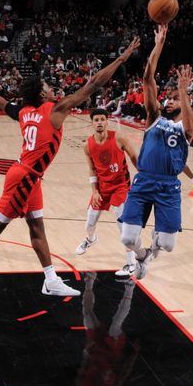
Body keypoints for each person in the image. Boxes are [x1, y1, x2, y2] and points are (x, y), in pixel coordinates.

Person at [0, 37, 140, 297]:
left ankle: (50, 278)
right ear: (42, 93)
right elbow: (93, 83)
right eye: (47, 85)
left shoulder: (23, 111)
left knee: (37, 227)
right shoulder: (55, 110)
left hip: (31, 178)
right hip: (23, 178)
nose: (51, 87)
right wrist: (122, 59)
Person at [119, 24, 193, 279]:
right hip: (144, 181)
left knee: (167, 245)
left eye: (174, 98)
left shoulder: (188, 126)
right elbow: (147, 79)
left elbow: (189, 125)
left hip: (168, 186)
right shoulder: (154, 118)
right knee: (128, 238)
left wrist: (184, 91)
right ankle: (142, 257)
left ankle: (152, 251)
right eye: (170, 97)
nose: (169, 100)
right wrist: (159, 44)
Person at [75, 108, 139, 277]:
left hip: (121, 186)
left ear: (107, 121)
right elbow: (91, 169)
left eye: (102, 119)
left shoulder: (118, 137)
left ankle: (131, 263)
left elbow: (134, 157)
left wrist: (144, 175)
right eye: (96, 120)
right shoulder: (88, 145)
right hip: (102, 188)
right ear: (92, 123)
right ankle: (90, 240)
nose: (99, 122)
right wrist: (94, 191)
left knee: (121, 221)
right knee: (90, 222)